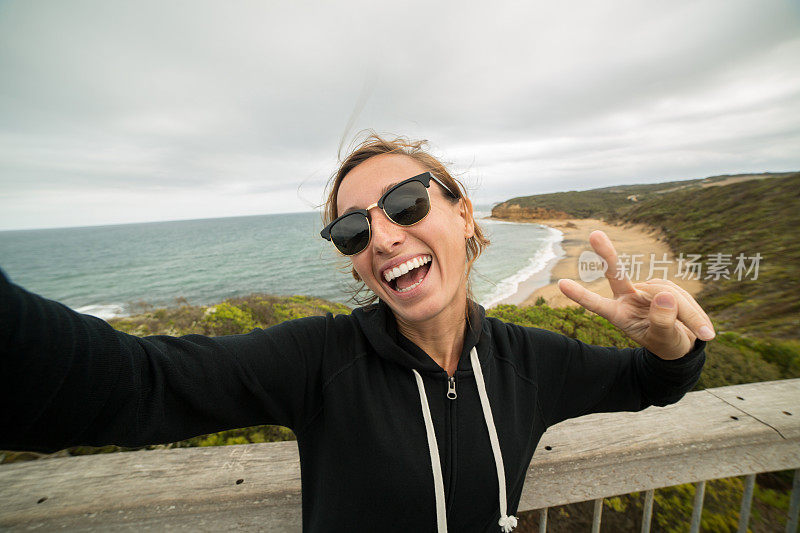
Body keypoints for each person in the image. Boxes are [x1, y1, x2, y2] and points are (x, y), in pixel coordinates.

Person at [0, 133, 713, 533]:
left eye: (406, 201)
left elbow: (651, 382)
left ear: (465, 215)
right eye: (353, 227)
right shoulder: (318, 360)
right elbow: (136, 384)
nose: (383, 234)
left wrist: (669, 343)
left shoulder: (529, 360)